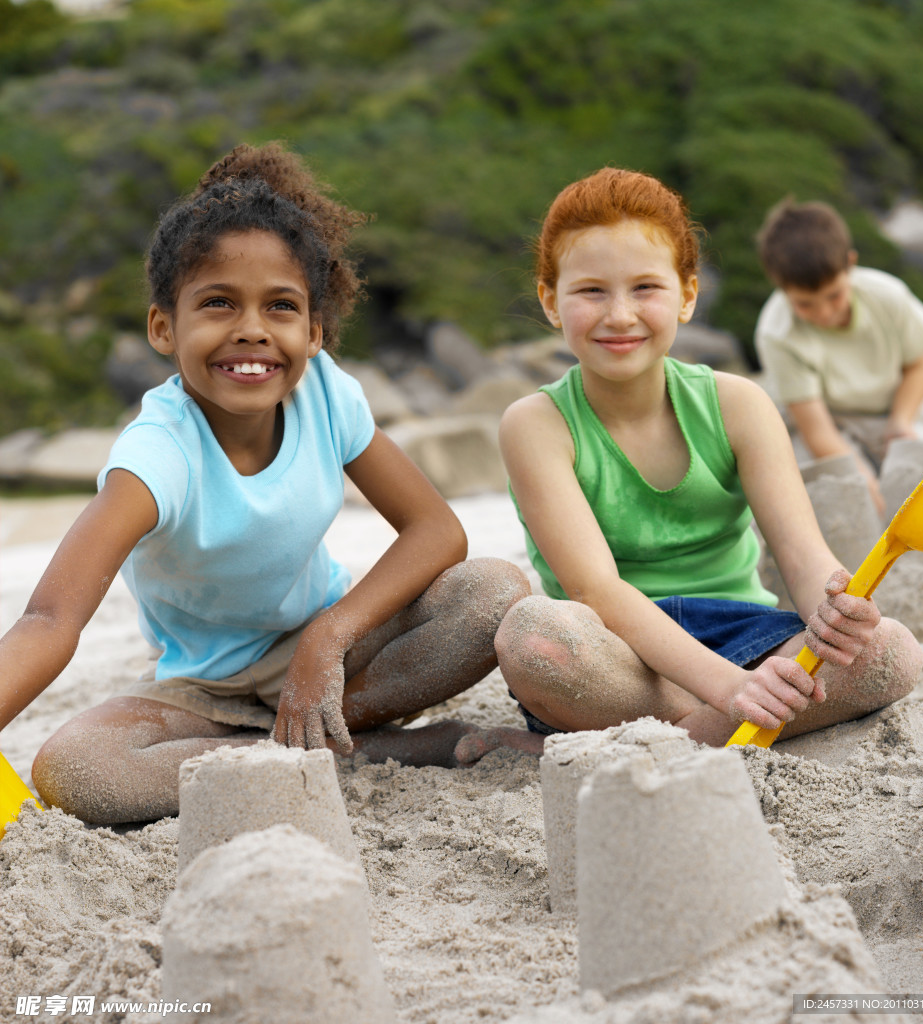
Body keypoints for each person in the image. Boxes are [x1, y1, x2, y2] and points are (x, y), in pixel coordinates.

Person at [0, 142, 530, 825]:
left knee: (492, 596)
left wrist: (327, 638)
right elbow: (49, 618)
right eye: (218, 303)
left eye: (279, 307)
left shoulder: (327, 398)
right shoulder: (158, 456)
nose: (251, 331)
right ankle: (341, 752)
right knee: (76, 771)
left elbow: (437, 531)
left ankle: (310, 734)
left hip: (332, 663)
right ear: (165, 326)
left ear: (314, 331)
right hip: (196, 693)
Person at [490, 168, 922, 752]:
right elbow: (595, 589)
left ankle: (649, 740)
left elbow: (799, 554)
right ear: (551, 302)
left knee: (890, 650)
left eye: (646, 288)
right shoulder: (535, 424)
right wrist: (729, 690)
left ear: (687, 295)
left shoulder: (738, 404)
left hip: (744, 632)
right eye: (592, 291)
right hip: (618, 654)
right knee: (533, 636)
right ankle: (718, 727)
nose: (620, 315)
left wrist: (835, 607)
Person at [754, 198, 923, 515]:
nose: (824, 313)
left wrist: (901, 420)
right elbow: (816, 429)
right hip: (825, 422)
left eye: (834, 295)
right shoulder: (777, 332)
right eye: (805, 304)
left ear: (850, 265)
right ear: (780, 286)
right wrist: (858, 474)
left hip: (886, 413)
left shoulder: (887, 295)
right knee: (835, 489)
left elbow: (919, 368)